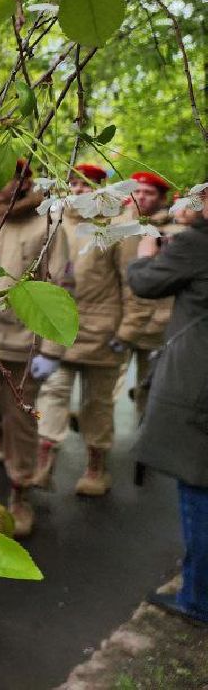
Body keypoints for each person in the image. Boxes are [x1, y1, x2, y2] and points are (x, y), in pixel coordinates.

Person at [124, 194, 208, 626]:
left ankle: (198, 597)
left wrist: (143, 253)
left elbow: (146, 283)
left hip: (197, 385)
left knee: (197, 484)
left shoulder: (198, 243)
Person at [35, 166, 132, 496]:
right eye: (73, 183)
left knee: (98, 404)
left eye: (86, 184)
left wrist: (127, 330)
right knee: (53, 394)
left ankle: (96, 467)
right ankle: (43, 462)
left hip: (104, 332)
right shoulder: (54, 224)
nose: (78, 189)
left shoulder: (116, 229)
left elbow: (131, 283)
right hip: (61, 330)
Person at [0, 162, 56, 536]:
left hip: (22, 342)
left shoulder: (44, 224)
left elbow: (58, 288)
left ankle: (21, 490)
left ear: (23, 183)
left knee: (20, 418)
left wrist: (50, 349)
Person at [115, 171, 178, 425]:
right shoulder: (117, 228)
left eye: (148, 192)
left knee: (150, 387)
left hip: (159, 322)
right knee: (105, 387)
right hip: (121, 318)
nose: (141, 196)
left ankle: (144, 439)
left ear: (162, 198)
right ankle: (96, 444)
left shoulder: (175, 232)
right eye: (137, 191)